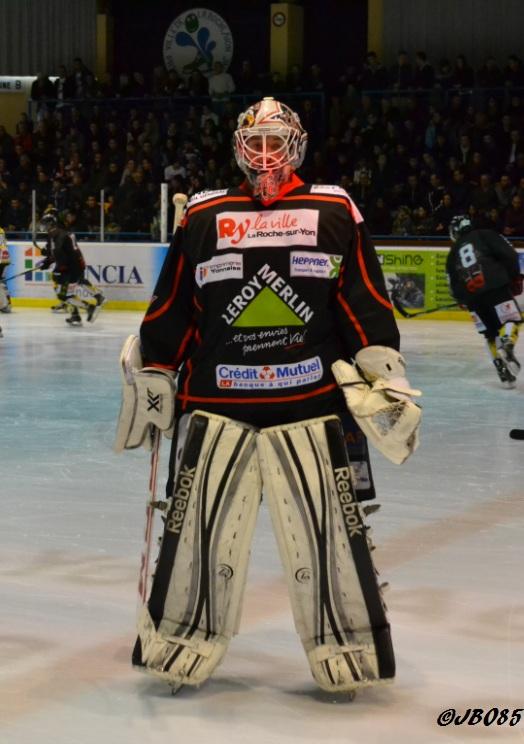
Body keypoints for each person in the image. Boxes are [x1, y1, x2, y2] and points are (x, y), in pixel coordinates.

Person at [114, 97, 421, 695]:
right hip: (215, 405)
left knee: (329, 535)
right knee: (197, 532)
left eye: (275, 141)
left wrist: (382, 369)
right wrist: (157, 369)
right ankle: (178, 638)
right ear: (237, 147)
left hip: (311, 407)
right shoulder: (204, 214)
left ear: (296, 144)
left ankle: (348, 646)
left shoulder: (333, 208)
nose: (264, 154)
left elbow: (361, 298)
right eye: (254, 142)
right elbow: (174, 303)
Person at [446, 214, 522, 388]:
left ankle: (504, 374)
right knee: (511, 320)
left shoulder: (452, 253)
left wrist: (462, 299)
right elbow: (509, 255)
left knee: (490, 335)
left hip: (473, 298)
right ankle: (507, 344)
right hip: (496, 288)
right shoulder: (486, 234)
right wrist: (513, 276)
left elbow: (452, 284)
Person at [38, 208, 105, 325]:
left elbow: (58, 253)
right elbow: (58, 252)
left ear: (50, 224)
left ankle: (89, 307)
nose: (42, 227)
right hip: (74, 265)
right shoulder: (59, 232)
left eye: (44, 224)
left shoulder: (56, 234)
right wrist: (47, 261)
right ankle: (77, 314)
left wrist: (52, 264)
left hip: (69, 268)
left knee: (64, 295)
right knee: (67, 291)